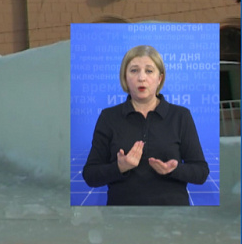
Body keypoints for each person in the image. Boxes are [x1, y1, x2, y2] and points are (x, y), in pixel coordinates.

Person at [82, 45, 209, 206]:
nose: (141, 78)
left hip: (173, 215)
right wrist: (120, 167)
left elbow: (201, 172)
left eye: (149, 71)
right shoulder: (109, 117)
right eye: (134, 70)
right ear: (125, 77)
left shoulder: (181, 116)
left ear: (160, 78)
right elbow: (90, 175)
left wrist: (173, 169)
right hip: (122, 215)